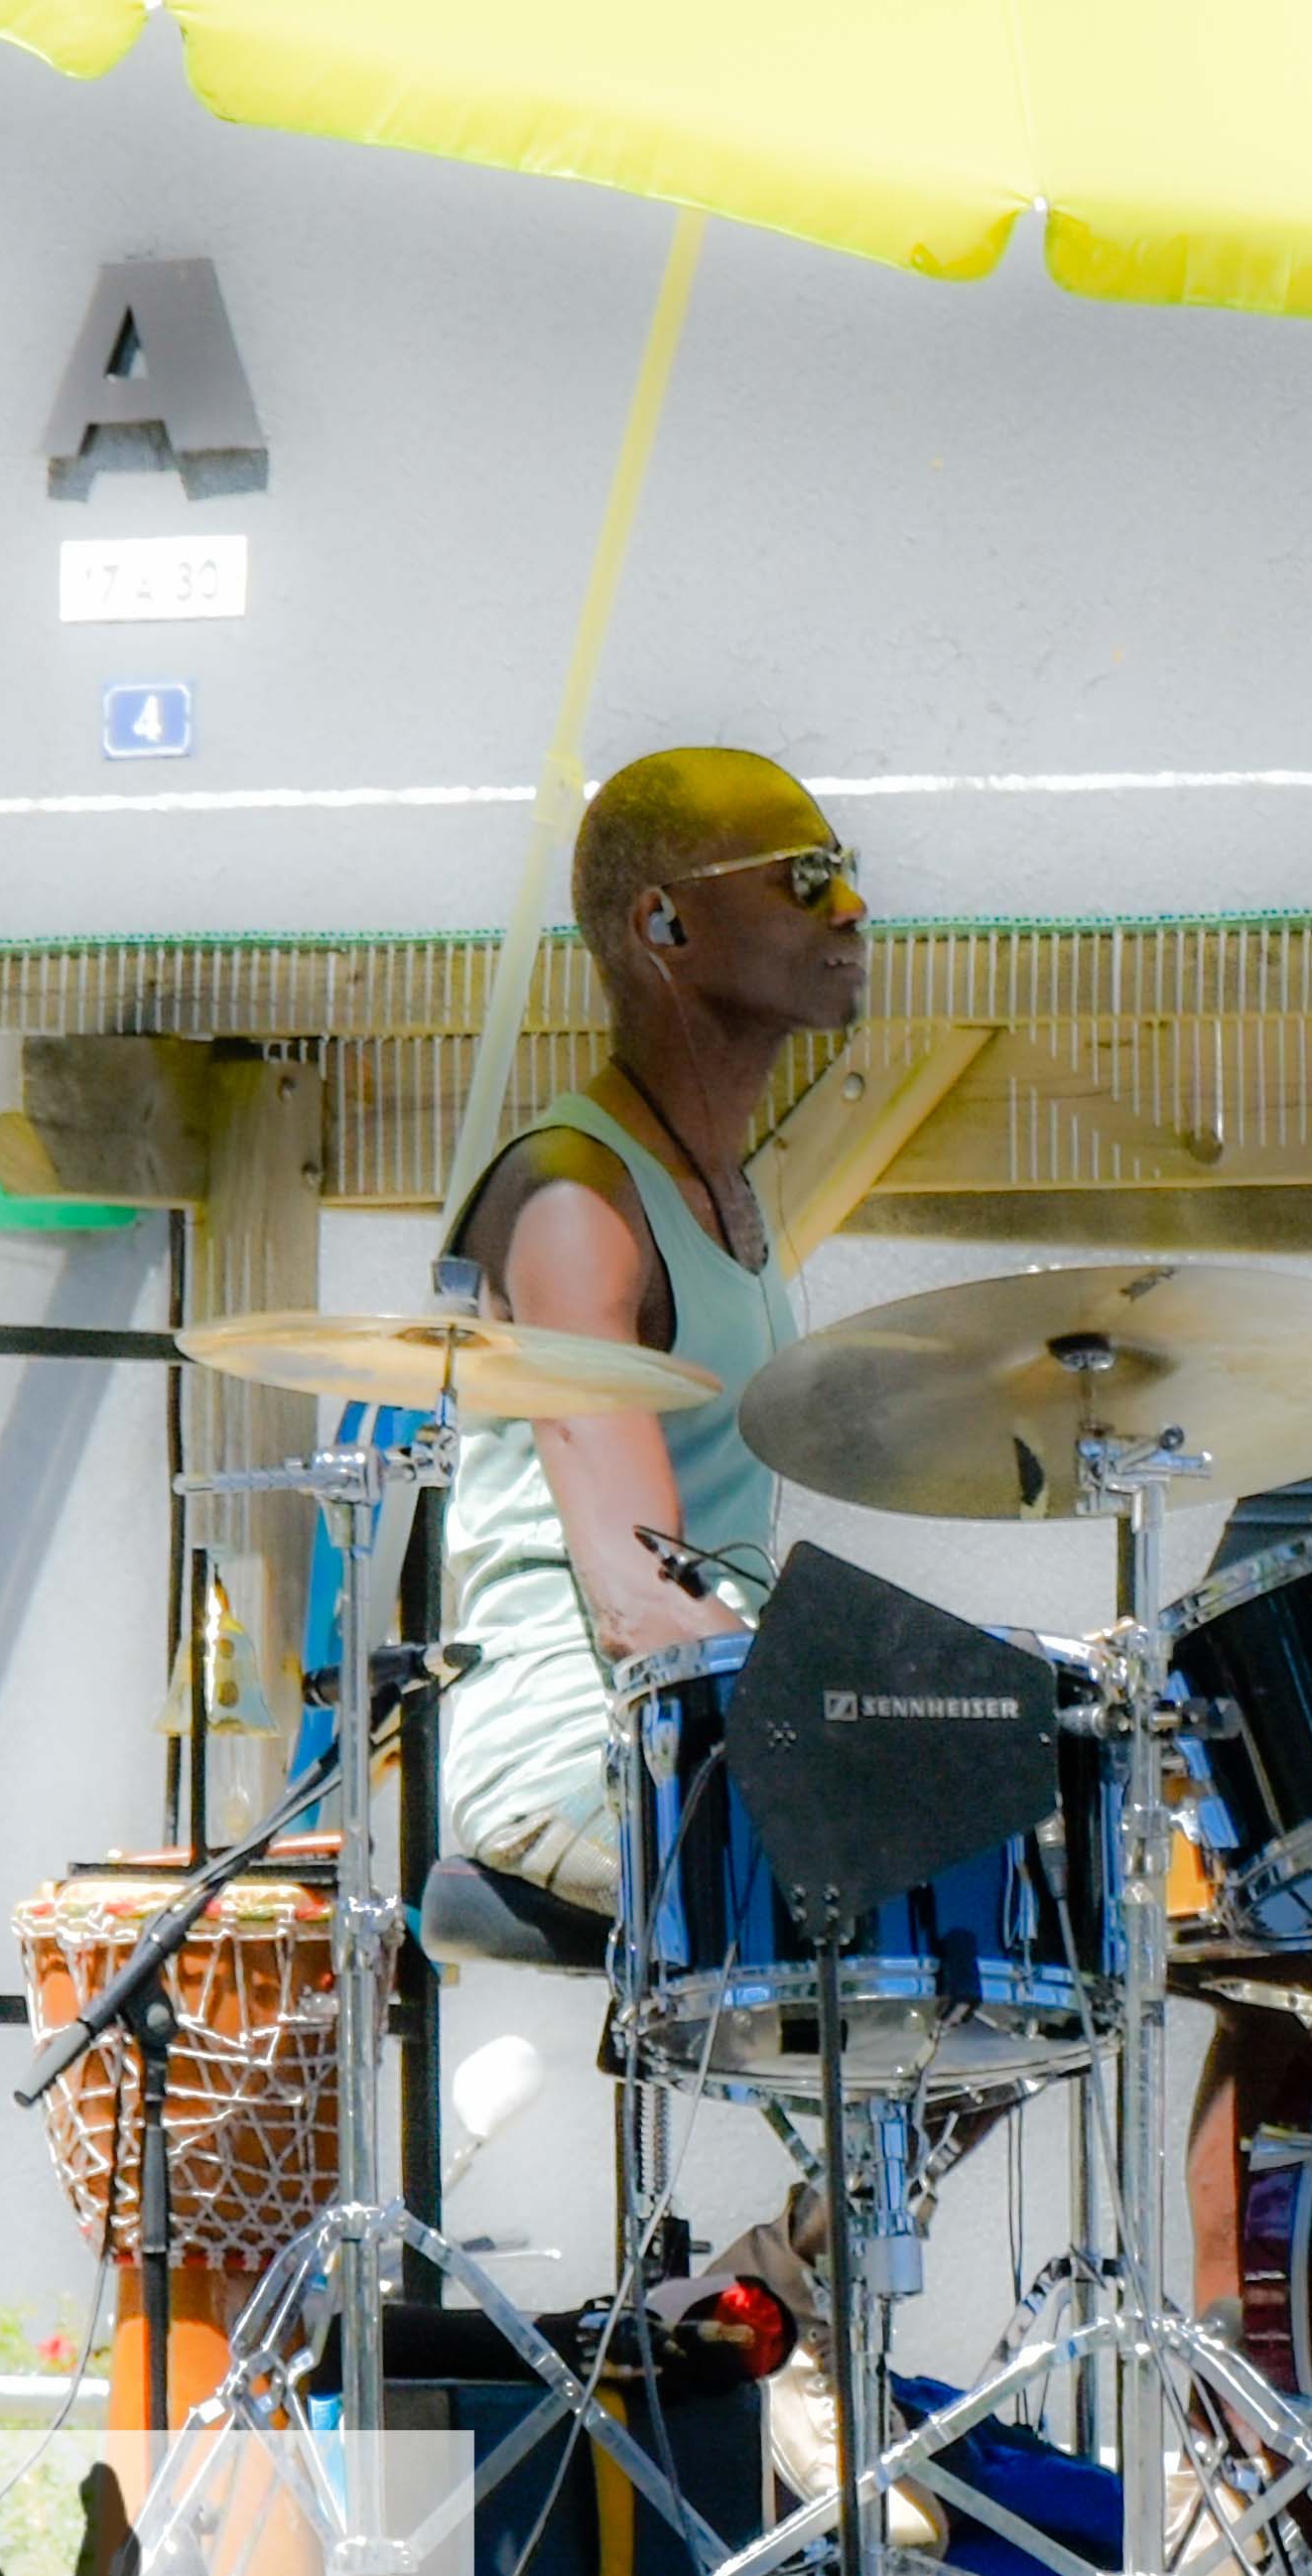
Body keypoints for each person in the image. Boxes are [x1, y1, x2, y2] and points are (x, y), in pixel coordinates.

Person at [435, 746, 858, 1908]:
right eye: (806, 875)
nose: (854, 906)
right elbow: (643, 1606)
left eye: (848, 869)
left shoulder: (709, 1184)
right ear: (664, 922)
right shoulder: (579, 1202)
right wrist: (860, 1730)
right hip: (583, 1760)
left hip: (701, 1739)